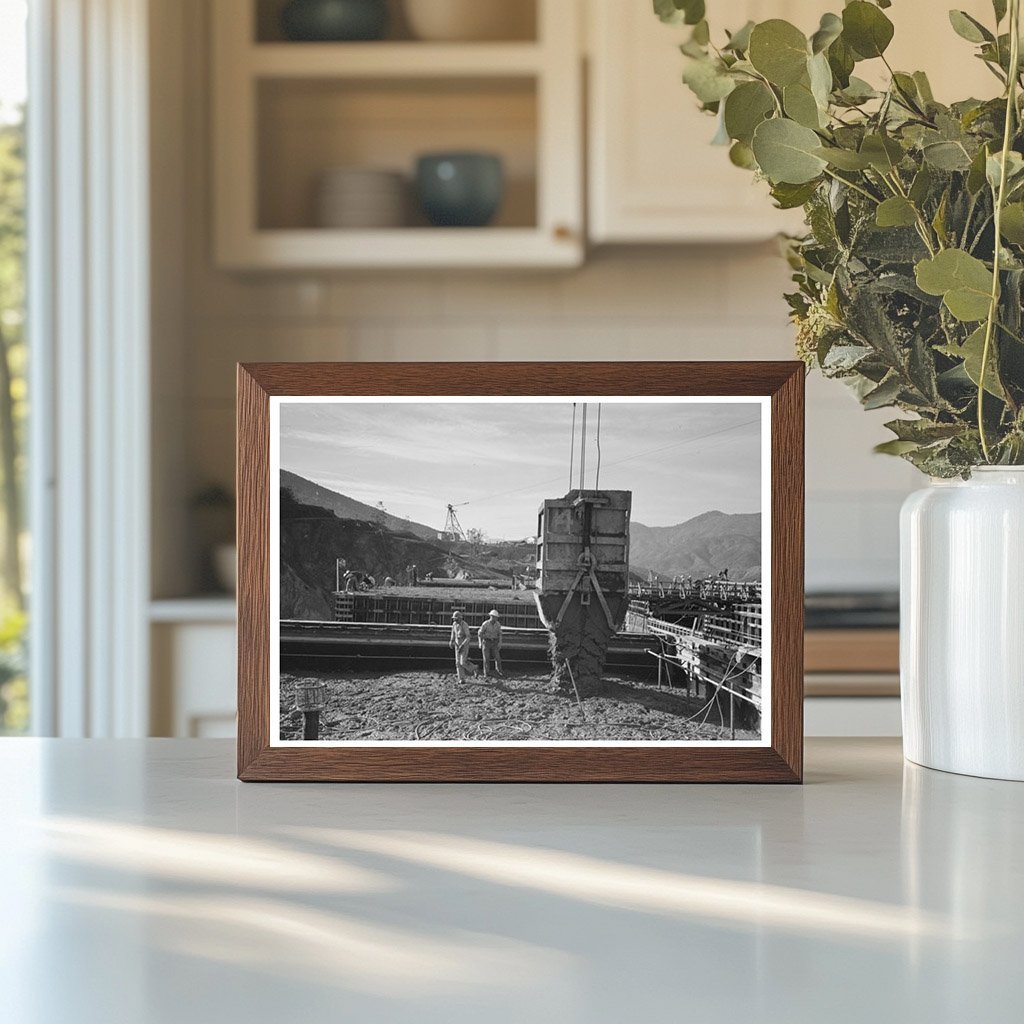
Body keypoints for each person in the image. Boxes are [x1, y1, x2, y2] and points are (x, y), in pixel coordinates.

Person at [478, 609, 503, 679]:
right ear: (491, 616)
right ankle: (486, 673)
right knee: (486, 658)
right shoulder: (485, 624)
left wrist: (500, 643)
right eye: (495, 617)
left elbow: (500, 634)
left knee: (497, 658)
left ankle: (499, 671)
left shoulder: (498, 624)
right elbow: (480, 633)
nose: (496, 618)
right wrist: (480, 642)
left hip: (494, 642)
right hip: (486, 642)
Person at [449, 610, 473, 681]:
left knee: (462, 662)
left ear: (460, 618)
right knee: (458, 663)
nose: (455, 620)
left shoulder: (464, 625)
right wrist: (451, 641)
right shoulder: (454, 624)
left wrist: (463, 645)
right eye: (454, 619)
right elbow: (453, 633)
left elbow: (468, 636)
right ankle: (461, 679)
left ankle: (473, 668)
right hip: (457, 643)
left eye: (456, 619)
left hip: (464, 644)